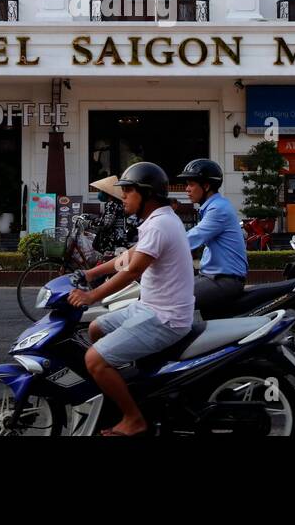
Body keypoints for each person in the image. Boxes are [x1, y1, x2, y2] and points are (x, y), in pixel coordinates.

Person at [68, 162, 194, 437]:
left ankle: (134, 418)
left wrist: (91, 296)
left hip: (165, 318)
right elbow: (126, 258)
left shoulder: (159, 225)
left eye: (128, 192)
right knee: (95, 328)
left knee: (94, 360)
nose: (123, 197)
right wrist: (89, 273)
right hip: (149, 307)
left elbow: (133, 270)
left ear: (146, 194)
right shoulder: (158, 220)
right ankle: (121, 386)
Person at [175, 158, 248, 314]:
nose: (187, 189)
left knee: (171, 299)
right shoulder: (213, 207)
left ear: (206, 186)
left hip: (224, 280)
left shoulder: (218, 209)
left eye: (191, 184)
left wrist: (157, 249)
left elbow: (191, 239)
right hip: (212, 277)